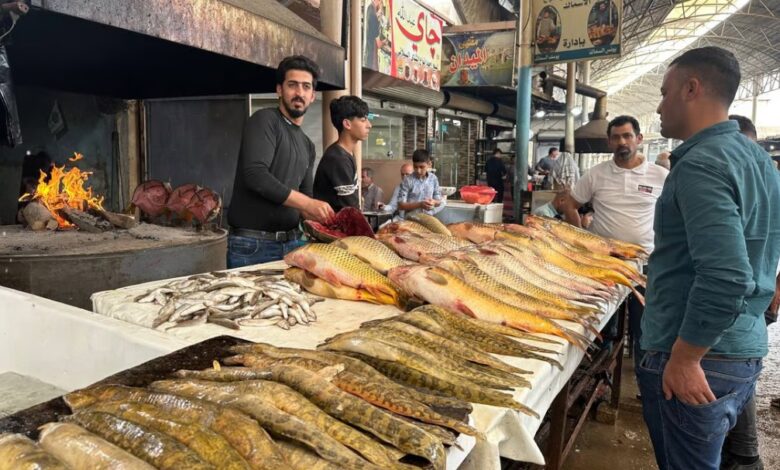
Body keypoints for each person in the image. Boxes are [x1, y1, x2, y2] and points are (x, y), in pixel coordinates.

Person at [638, 46, 780, 470]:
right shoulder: (759, 161)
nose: (659, 106)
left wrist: (685, 358)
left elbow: (726, 275)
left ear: (691, 89)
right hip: (741, 347)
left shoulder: (701, 164)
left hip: (698, 355)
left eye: (664, 93)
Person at [561, 115, 668, 363]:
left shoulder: (660, 176)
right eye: (616, 137)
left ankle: (644, 369)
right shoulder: (596, 174)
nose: (622, 142)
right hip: (603, 262)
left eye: (627, 136)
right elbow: (570, 205)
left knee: (645, 323)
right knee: (601, 320)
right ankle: (600, 364)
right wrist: (582, 241)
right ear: (609, 142)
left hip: (646, 262)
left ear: (639, 139)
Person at [227, 55, 334, 268]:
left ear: (313, 96)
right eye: (292, 85)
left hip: (293, 244)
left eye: (306, 87)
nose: (299, 93)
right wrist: (308, 204)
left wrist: (329, 223)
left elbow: (306, 197)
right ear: (279, 90)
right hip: (252, 245)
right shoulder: (264, 120)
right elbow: (255, 175)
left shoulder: (308, 145)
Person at [721, 114, 774, 470]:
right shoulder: (752, 178)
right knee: (742, 369)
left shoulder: (763, 181)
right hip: (749, 299)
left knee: (738, 366)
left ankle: (744, 452)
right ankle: (741, 449)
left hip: (746, 301)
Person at [314, 95, 371, 212]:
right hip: (331, 223)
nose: (369, 125)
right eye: (363, 120)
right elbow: (350, 209)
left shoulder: (345, 153)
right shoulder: (338, 158)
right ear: (347, 124)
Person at [397, 149, 445, 217]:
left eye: (422, 167)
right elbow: (400, 205)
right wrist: (420, 204)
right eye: (415, 167)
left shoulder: (433, 179)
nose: (418, 170)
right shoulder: (407, 180)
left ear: (429, 164)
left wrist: (434, 202)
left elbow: (438, 202)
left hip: (428, 217)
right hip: (411, 217)